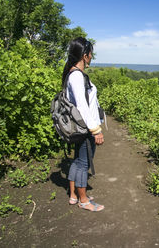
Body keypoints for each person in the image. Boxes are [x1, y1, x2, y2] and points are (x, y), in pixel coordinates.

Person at [62, 37, 105, 212]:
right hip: (85, 127)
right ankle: (83, 200)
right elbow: (82, 106)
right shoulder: (77, 76)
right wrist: (95, 130)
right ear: (85, 56)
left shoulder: (72, 74)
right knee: (83, 163)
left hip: (79, 126)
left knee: (78, 160)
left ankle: (74, 195)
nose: (92, 57)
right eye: (91, 54)